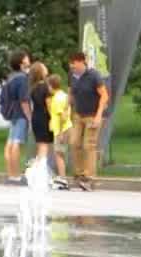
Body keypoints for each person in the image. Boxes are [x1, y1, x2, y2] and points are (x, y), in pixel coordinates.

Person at [67, 51, 109, 191]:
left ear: (81, 62)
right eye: (70, 64)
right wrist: (67, 109)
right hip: (78, 115)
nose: (72, 66)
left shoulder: (93, 75)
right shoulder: (72, 76)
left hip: (92, 115)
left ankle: (90, 178)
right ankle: (79, 175)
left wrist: (99, 115)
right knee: (74, 142)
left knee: (88, 145)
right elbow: (70, 93)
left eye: (74, 63)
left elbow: (104, 96)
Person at [0, 50, 31, 185]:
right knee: (17, 143)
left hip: (12, 113)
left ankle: (10, 174)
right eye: (26, 58)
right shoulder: (23, 78)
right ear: (21, 62)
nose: (28, 59)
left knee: (10, 142)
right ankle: (16, 175)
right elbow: (24, 100)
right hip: (20, 114)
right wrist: (29, 117)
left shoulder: (11, 77)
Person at [28, 62, 53, 178]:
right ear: (41, 72)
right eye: (44, 67)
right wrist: (54, 117)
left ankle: (36, 169)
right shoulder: (45, 87)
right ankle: (40, 171)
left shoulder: (33, 87)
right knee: (44, 145)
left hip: (36, 117)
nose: (46, 68)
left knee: (40, 144)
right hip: (44, 117)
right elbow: (49, 105)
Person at [47, 74, 72, 188]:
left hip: (61, 129)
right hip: (68, 127)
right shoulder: (64, 95)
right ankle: (62, 177)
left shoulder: (56, 99)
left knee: (58, 154)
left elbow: (62, 117)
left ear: (51, 86)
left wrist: (60, 133)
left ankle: (63, 179)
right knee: (61, 153)